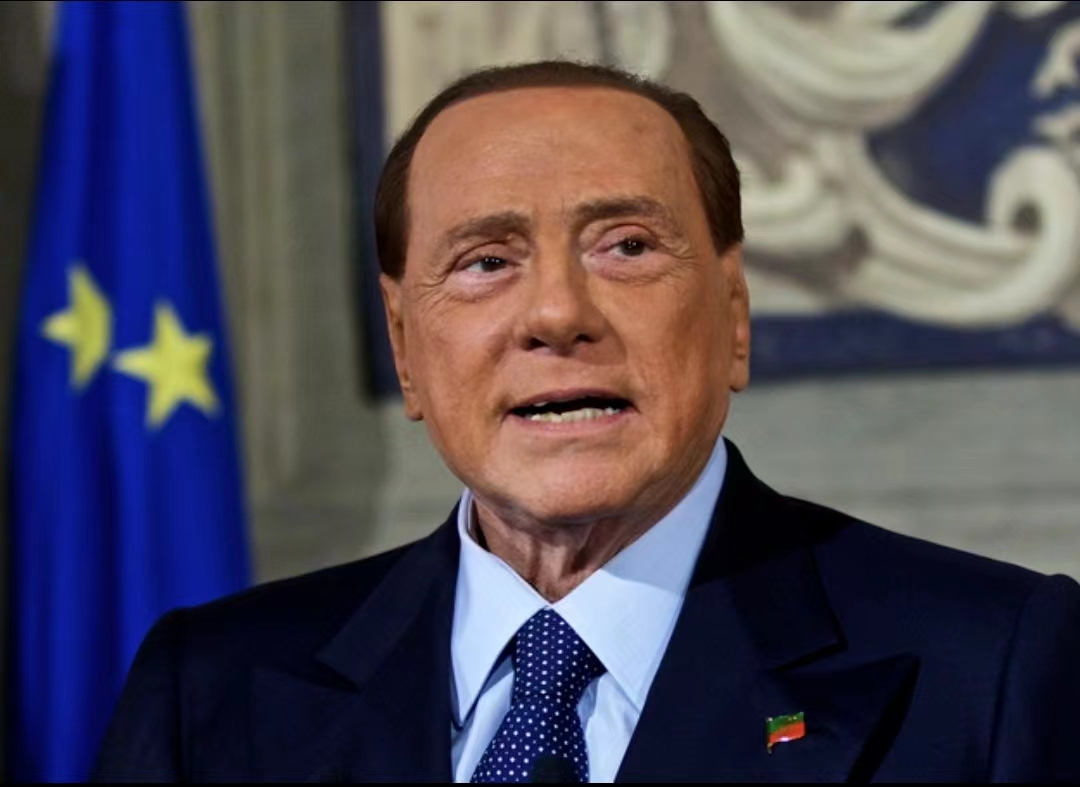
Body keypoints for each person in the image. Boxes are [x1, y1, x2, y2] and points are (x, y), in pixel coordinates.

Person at [94, 61, 1080, 783]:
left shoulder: (992, 666)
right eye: (486, 261)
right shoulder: (210, 691)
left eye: (626, 246)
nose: (558, 313)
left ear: (734, 316)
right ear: (405, 347)